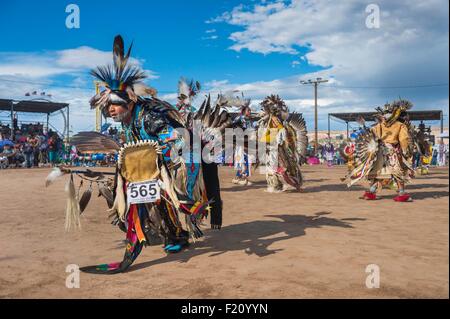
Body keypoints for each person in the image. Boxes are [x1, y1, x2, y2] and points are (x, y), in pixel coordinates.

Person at [80, 35, 224, 274]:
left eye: (114, 105)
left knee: (172, 196)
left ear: (128, 102)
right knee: (150, 199)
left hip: (185, 156)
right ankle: (175, 234)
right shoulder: (127, 123)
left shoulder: (148, 116)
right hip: (157, 164)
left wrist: (160, 153)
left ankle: (186, 223)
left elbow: (178, 138)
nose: (110, 110)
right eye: (108, 107)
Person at [345, 100, 414, 202]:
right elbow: (403, 139)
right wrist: (405, 151)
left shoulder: (380, 125)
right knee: (398, 172)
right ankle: (401, 193)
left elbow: (371, 134)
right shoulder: (400, 125)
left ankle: (371, 192)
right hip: (392, 152)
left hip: (379, 152)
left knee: (377, 172)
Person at [258, 95, 308, 192]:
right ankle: (281, 185)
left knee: (281, 168)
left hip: (277, 148)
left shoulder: (275, 119)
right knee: (277, 169)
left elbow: (280, 130)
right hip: (273, 148)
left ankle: (291, 185)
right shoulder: (271, 120)